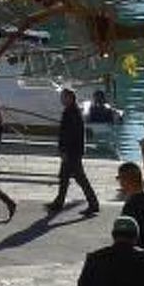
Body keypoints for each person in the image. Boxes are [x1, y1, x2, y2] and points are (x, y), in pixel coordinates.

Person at [45, 87, 100, 216]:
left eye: (63, 97)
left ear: (69, 98)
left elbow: (70, 134)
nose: (61, 99)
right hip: (73, 151)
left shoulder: (72, 112)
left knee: (80, 178)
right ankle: (59, 202)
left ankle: (93, 203)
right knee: (64, 177)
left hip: (72, 152)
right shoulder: (71, 111)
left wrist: (64, 151)